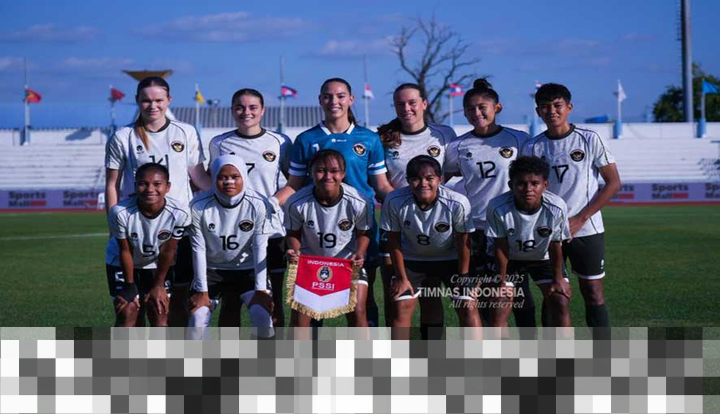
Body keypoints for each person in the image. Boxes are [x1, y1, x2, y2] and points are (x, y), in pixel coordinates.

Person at [276, 78, 393, 327]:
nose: (334, 101)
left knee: (361, 301)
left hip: (359, 230)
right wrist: (267, 203)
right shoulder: (306, 139)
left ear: (351, 99)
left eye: (340, 96)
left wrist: (404, 203)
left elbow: (381, 185)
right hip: (315, 230)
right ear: (320, 100)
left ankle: (365, 351)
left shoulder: (369, 139)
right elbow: (293, 186)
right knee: (311, 304)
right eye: (328, 96)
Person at [105, 76, 211, 326]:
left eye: (159, 100)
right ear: (137, 101)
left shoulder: (185, 132)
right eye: (146, 100)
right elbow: (112, 184)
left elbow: (198, 177)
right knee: (130, 309)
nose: (153, 106)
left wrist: (232, 196)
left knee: (170, 307)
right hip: (138, 228)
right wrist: (113, 225)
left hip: (178, 230)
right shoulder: (123, 136)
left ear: (169, 100)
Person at [522, 83, 621, 334]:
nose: (551, 111)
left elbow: (613, 182)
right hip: (547, 232)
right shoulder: (532, 147)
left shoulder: (589, 138)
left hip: (586, 229)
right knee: (553, 294)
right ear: (538, 111)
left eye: (557, 105)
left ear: (569, 107)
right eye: (545, 107)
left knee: (593, 292)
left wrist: (580, 218)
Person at [444, 78, 537, 332]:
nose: (477, 113)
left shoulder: (518, 140)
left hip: (512, 227)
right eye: (470, 109)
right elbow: (441, 179)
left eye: (482, 107)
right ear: (464, 113)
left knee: (517, 289)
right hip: (476, 229)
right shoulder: (458, 146)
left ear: (497, 107)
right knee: (486, 295)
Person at [377, 83, 457, 337]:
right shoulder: (383, 138)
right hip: (397, 224)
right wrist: (405, 207)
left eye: (412, 102)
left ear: (424, 103)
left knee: (431, 295)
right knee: (396, 296)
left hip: (435, 225)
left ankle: (431, 355)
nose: (407, 108)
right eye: (400, 104)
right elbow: (380, 182)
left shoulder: (444, 134)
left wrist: (429, 203)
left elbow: (450, 174)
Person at [208, 88, 291, 327]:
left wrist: (271, 203)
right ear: (232, 110)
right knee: (231, 301)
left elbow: (295, 182)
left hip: (271, 231)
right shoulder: (219, 143)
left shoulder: (280, 142)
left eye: (253, 107)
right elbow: (211, 181)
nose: (246, 112)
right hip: (231, 231)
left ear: (263, 110)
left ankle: (274, 350)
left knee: (272, 301)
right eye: (240, 107)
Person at [381, 155, 481, 339]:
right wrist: (401, 278)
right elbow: (393, 240)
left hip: (451, 259)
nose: (423, 184)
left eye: (429, 178)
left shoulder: (457, 202)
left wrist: (464, 276)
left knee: (467, 305)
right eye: (416, 179)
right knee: (401, 306)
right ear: (408, 181)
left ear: (440, 179)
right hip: (412, 260)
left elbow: (464, 241)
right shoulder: (394, 200)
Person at [187, 155, 273, 339]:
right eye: (222, 177)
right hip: (212, 270)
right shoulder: (198, 205)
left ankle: (266, 357)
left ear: (244, 177)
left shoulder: (258, 203)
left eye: (235, 177)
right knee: (197, 318)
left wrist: (260, 290)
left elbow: (260, 247)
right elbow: (198, 249)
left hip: (247, 269)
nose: (229, 182)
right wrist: (202, 291)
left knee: (262, 315)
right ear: (214, 178)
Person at [284, 150, 371, 331]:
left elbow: (363, 233)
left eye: (334, 171)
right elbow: (293, 233)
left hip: (346, 263)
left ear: (343, 173)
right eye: (321, 170)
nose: (328, 176)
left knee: (358, 310)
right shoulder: (296, 202)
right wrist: (295, 250)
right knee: (299, 319)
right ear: (311, 172)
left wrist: (360, 252)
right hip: (311, 264)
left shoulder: (358, 201)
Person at [486, 156, 572, 332]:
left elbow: (555, 244)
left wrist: (558, 278)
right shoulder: (497, 207)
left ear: (545, 185)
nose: (528, 189)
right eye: (521, 183)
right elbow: (501, 246)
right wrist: (501, 282)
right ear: (511, 185)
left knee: (560, 300)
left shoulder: (557, 207)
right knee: (499, 305)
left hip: (543, 258)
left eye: (535, 183)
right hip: (510, 260)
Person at [106, 163, 190, 327]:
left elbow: (168, 250)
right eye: (143, 184)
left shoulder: (180, 213)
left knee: (160, 312)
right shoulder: (119, 212)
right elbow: (125, 250)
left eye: (157, 184)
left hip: (158, 264)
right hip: (122, 263)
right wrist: (129, 286)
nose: (150, 189)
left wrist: (159, 285)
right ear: (135, 185)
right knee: (128, 311)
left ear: (168, 187)